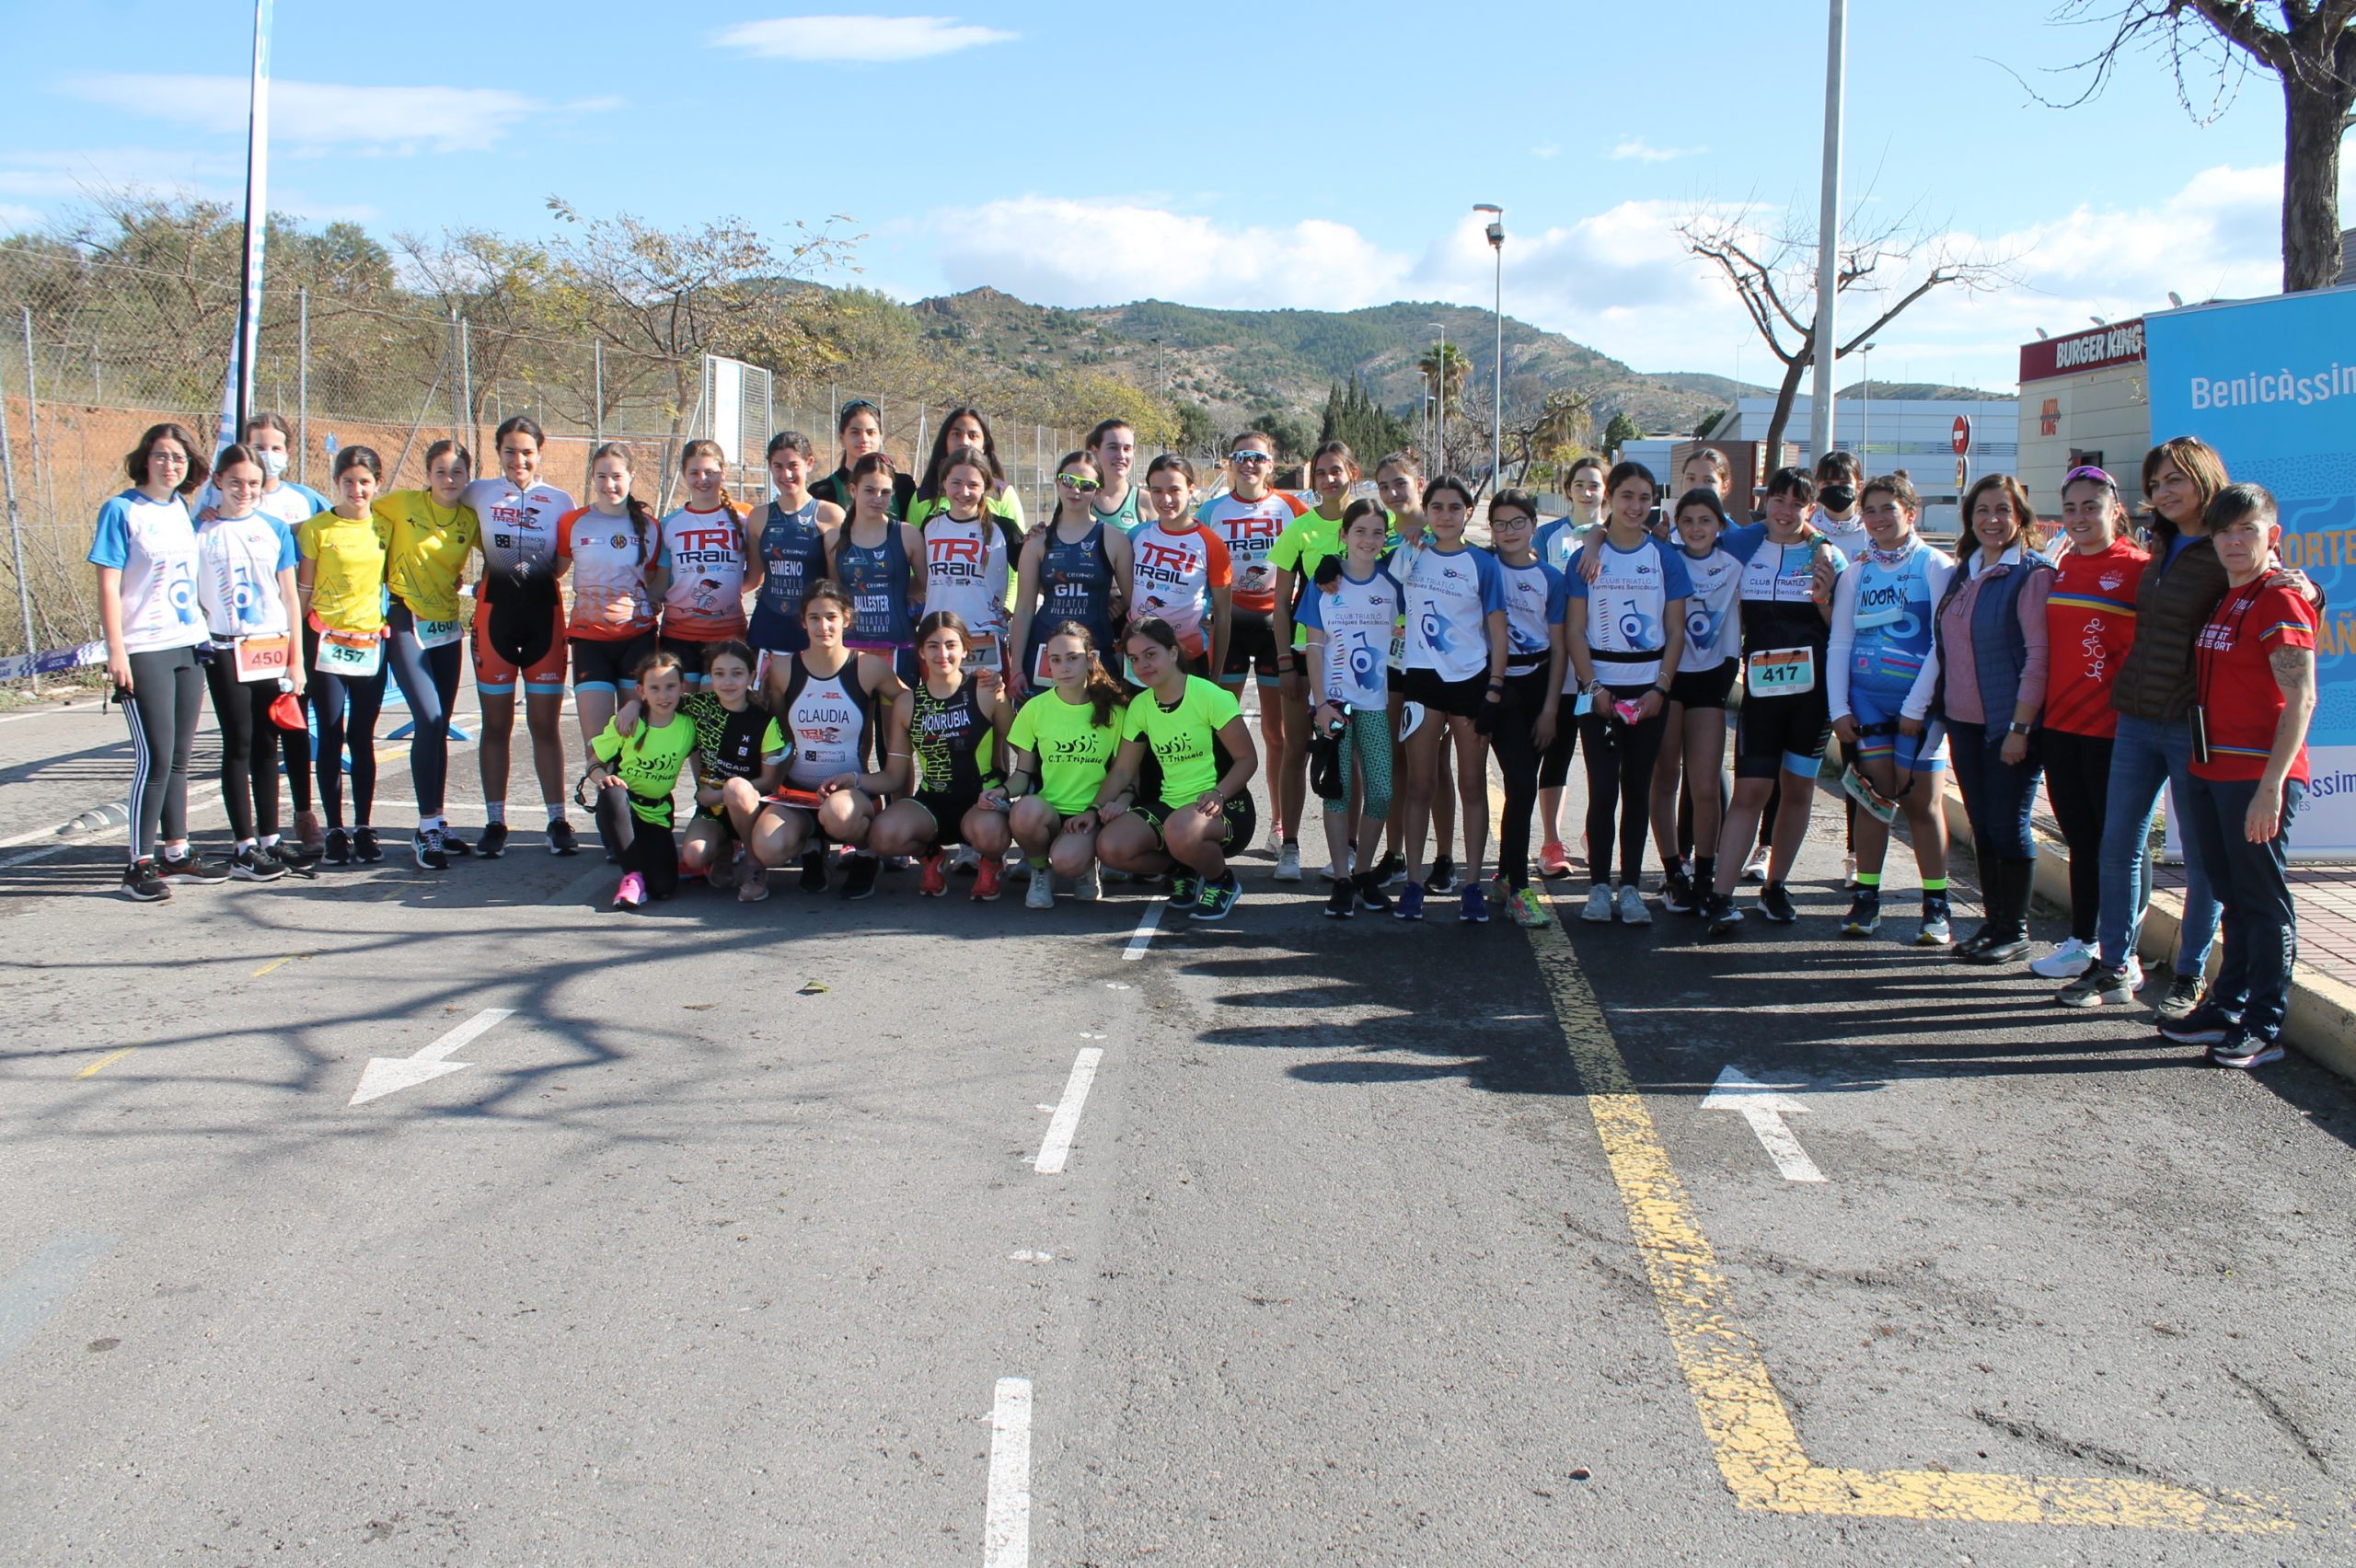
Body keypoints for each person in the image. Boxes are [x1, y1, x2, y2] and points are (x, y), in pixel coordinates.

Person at [2065, 439, 2239, 1010]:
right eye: (2156, 484)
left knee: (2200, 859)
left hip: (2193, 723)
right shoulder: (2159, 544)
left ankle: (2189, 973)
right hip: (2137, 719)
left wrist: (2303, 589)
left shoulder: (2225, 544)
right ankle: (2115, 966)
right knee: (2117, 847)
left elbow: (2273, 587)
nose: (2163, 493)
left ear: (2204, 479)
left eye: (2174, 481)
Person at [2172, 484, 2316, 1068]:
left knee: (2263, 901)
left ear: (2272, 537)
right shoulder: (2229, 595)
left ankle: (2264, 1024)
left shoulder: (2280, 599)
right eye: (2225, 531)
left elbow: (2301, 699)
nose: (2234, 541)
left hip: (2255, 778)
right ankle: (2225, 1006)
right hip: (2212, 768)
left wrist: (2271, 788)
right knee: (2233, 896)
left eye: (2247, 531)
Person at [1701, 467, 1846, 937]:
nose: (1785, 511)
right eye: (1778, 500)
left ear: (1811, 507)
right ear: (1766, 502)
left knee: (1798, 790)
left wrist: (1824, 598)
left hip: (1812, 697)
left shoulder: (1828, 554)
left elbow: (1839, 627)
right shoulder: (1744, 547)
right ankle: (1720, 896)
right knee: (1751, 792)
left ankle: (1776, 886)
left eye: (1797, 503)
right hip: (1762, 695)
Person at [1826, 473, 1956, 944]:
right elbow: (1840, 642)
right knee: (1873, 802)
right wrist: (1838, 707)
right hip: (1866, 701)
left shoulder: (1935, 566)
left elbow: (1943, 646)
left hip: (1919, 706)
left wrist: (1918, 706)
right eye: (1871, 510)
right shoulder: (1857, 571)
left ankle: (1936, 907)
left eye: (1889, 509)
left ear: (1911, 513)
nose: (1878, 519)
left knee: (1923, 804)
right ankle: (1867, 898)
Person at [2031, 466, 2147, 980]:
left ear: (2115, 511)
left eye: (2091, 507)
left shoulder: (2140, 567)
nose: (2080, 517)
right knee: (2080, 837)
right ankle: (2082, 939)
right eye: (2071, 507)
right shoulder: (2060, 566)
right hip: (2060, 725)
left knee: (2120, 843)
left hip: (2117, 731)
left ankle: (2126, 950)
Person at [199, 410, 329, 861]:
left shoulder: (277, 526)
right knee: (238, 742)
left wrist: (295, 659)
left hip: (273, 649)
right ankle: (244, 842)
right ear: (219, 481)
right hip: (225, 647)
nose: (245, 490)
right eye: (235, 482)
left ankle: (273, 838)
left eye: (252, 483)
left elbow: (291, 596)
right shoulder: (202, 529)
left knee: (271, 741)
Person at [1934, 475, 2054, 965]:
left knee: (2009, 827)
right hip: (1964, 722)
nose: (1991, 520)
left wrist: (2020, 729)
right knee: (1982, 826)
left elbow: (2038, 658)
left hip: (2009, 726)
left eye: (2002, 510)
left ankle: (2015, 928)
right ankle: (1992, 922)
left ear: (2021, 517)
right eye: (1982, 511)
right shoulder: (1966, 570)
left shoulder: (2031, 574)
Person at [92, 422, 214, 901]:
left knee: (181, 758)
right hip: (143, 647)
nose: (170, 464)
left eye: (179, 458)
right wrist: (115, 649)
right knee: (155, 758)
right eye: (162, 455)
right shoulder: (121, 510)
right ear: (146, 459)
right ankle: (138, 863)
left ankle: (176, 852)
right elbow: (108, 584)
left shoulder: (181, 509)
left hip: (186, 642)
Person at [1565, 463, 1688, 924]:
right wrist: (1592, 686)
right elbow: (1575, 631)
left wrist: (1661, 688)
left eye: (1644, 498)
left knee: (1638, 789)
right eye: (1627, 496)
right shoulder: (1587, 558)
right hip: (1597, 689)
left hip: (1649, 690)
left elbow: (1675, 633)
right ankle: (1599, 886)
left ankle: (1631, 886)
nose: (1635, 507)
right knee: (1602, 790)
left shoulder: (1665, 558)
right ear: (1611, 497)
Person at [1391, 475, 1508, 923]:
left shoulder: (1484, 563)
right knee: (1420, 786)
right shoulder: (1411, 554)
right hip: (1421, 679)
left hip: (1471, 682)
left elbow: (1497, 630)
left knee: (1472, 785)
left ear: (1468, 513)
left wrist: (1494, 687)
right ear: (1427, 510)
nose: (1444, 515)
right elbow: (1371, 579)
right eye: (1436, 507)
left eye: (1454, 508)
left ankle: (1473, 884)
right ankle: (1414, 883)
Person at [1092, 617, 1260, 921]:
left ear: (1173, 652)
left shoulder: (1209, 695)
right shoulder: (1141, 706)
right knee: (1110, 846)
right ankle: (1185, 869)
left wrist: (1219, 793)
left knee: (1180, 829)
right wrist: (1092, 812)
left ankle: (1221, 882)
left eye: (1151, 654)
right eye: (1134, 659)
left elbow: (1247, 759)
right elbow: (1121, 772)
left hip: (1224, 807)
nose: (1143, 665)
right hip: (1171, 810)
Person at [750, 582, 907, 899]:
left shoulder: (868, 667)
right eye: (814, 617)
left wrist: (976, 689)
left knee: (838, 814)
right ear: (803, 622)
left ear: (847, 619)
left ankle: (866, 854)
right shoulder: (781, 670)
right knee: (767, 848)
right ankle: (812, 847)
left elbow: (911, 700)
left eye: (832, 617)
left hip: (850, 793)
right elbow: (780, 731)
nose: (824, 626)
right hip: (797, 793)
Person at [464, 416, 576, 858]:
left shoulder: (560, 500)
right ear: (498, 453)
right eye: (510, 451)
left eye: (527, 451)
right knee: (496, 725)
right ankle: (495, 822)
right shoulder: (479, 492)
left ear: (540, 453)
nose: (519, 459)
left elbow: (562, 563)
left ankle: (557, 819)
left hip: (544, 621)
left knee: (544, 726)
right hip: (495, 621)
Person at [1199, 431, 1311, 873]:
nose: (1249, 464)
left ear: (1272, 464)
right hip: (1228, 624)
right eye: (1242, 457)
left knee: (1277, 734)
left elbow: (1324, 541)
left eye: (1258, 458)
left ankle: (1281, 825)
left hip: (1273, 624)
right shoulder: (1211, 510)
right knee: (1218, 730)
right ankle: (1217, 813)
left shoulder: (1291, 507)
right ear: (1230, 462)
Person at [375, 439, 480, 866]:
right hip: (406, 621)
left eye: (457, 472)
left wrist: (477, 586)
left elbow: (498, 555)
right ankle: (424, 829)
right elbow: (350, 518)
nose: (449, 480)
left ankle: (436, 821)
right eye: (441, 472)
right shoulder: (401, 504)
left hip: (447, 626)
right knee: (429, 719)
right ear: (428, 475)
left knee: (441, 726)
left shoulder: (469, 519)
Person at [1299, 499, 1403, 918]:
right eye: (1359, 531)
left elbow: (1429, 538)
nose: (1368, 540)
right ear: (1343, 535)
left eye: (1378, 532)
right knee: (1338, 793)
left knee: (1381, 790)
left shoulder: (1394, 581)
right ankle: (1341, 879)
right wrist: (1320, 703)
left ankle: (1363, 873)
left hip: (1376, 703)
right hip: (1335, 705)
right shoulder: (1325, 582)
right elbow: (1314, 644)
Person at [870, 611, 1014, 898]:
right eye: (933, 646)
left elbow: (1024, 747)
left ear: (965, 650)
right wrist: (853, 782)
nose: (942, 654)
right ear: (921, 652)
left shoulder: (987, 691)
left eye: (950, 645)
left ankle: (990, 861)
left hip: (982, 802)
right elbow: (894, 776)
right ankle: (931, 857)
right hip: (932, 803)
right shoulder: (907, 703)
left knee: (991, 835)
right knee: (883, 836)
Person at [298, 446, 392, 867]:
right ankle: (335, 827)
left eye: (365, 482)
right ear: (338, 482)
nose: (357, 489)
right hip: (327, 643)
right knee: (332, 734)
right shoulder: (317, 528)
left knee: (363, 737)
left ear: (376, 485)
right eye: (349, 481)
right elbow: (303, 587)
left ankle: (364, 826)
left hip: (371, 642)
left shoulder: (385, 527)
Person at [1270, 442, 1358, 878]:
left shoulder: (1375, 525)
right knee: (1295, 749)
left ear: (1351, 473)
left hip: (1356, 659)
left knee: (1352, 753)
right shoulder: (1298, 531)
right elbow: (1281, 604)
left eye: (1336, 471)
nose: (1328, 480)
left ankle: (1350, 848)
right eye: (1321, 473)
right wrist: (1286, 661)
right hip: (1307, 656)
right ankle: (1289, 847)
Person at [1484, 490, 1567, 928]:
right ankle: (1519, 887)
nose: (1509, 531)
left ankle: (1504, 876)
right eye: (1500, 524)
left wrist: (1551, 709)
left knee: (1523, 787)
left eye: (1518, 522)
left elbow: (1559, 648)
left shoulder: (1552, 578)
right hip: (1496, 688)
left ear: (1534, 526)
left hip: (1538, 688)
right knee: (1519, 781)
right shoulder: (1483, 567)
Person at [1004, 623, 1129, 908]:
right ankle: (1039, 869)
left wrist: (1100, 811)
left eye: (1073, 657)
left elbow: (1125, 775)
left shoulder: (1116, 710)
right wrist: (999, 792)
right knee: (1023, 812)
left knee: (1067, 862)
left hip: (1092, 813)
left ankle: (1085, 865)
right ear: (1048, 662)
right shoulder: (1034, 708)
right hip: (1049, 812)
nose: (1064, 667)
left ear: (1090, 658)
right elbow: (1023, 773)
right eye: (1056, 659)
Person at [560, 442, 670, 751]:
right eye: (601, 476)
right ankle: (604, 799)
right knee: (598, 746)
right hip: (589, 640)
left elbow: (655, 577)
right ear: (592, 478)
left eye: (617, 476)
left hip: (637, 640)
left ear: (631, 475)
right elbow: (555, 568)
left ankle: (633, 801)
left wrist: (653, 599)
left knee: (634, 744)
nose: (609, 484)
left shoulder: (650, 527)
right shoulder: (573, 522)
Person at [1533, 454, 1610, 877]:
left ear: (1605, 491)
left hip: (1608, 665)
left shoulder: (1620, 536)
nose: (1587, 491)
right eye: (1579, 484)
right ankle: (1551, 841)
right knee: (1558, 753)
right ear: (1567, 490)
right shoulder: (1546, 535)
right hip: (1560, 663)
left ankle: (1592, 833)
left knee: (1601, 758)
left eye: (1595, 484)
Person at [1010, 451, 1131, 701]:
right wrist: (1016, 668)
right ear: (1057, 482)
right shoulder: (1038, 541)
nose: (1075, 490)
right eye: (1068, 481)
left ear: (1097, 491)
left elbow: (1134, 603)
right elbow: (1023, 609)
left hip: (1096, 651)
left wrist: (1116, 607)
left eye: (1086, 485)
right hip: (1045, 652)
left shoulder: (1114, 539)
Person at [676, 640, 791, 901]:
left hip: (748, 806)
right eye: (719, 674)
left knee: (736, 787)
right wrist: (632, 706)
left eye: (737, 673)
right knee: (693, 855)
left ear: (751, 676)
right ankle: (723, 851)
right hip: (712, 812)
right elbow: (661, 702)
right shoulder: (699, 707)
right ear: (710, 676)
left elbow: (766, 781)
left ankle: (754, 864)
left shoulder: (763, 721)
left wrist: (721, 795)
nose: (728, 681)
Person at [588, 650, 699, 911]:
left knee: (663, 889)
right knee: (613, 791)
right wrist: (603, 778)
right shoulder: (628, 723)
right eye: (655, 688)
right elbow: (594, 763)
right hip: (622, 810)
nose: (663, 695)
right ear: (641, 690)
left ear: (682, 687)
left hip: (657, 813)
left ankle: (652, 868)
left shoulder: (689, 725)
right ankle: (632, 875)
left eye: (671, 687)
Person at [744, 431, 845, 675]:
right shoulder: (758, 517)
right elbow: (753, 578)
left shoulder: (830, 515)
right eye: (777, 466)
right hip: (769, 624)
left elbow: (837, 584)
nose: (785, 474)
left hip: (812, 628)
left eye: (793, 466)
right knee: (767, 706)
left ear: (809, 464)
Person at [657, 439, 756, 685]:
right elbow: (661, 583)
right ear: (684, 475)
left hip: (728, 635)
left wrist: (723, 593)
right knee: (684, 715)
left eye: (710, 472)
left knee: (718, 718)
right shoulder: (669, 524)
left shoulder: (744, 519)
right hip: (678, 635)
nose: (702, 479)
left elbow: (755, 576)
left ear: (723, 472)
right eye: (694, 472)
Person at [1128, 455, 1231, 678]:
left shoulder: (1211, 544)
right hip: (1138, 658)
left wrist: (1216, 673)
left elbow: (1223, 614)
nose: (1165, 499)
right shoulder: (1137, 534)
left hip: (1189, 659)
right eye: (1157, 491)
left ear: (1191, 489)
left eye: (1174, 490)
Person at [830, 453, 926, 683]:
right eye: (869, 490)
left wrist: (902, 592)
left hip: (898, 645)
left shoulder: (907, 534)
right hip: (849, 647)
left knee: (896, 719)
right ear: (853, 490)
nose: (878, 498)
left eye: (885, 492)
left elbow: (927, 585)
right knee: (856, 719)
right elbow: (833, 594)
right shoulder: (834, 537)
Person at [909, 405, 1028, 536]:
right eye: (956, 434)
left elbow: (1018, 547)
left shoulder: (1002, 494)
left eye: (973, 436)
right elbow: (913, 548)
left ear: (984, 446)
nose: (964, 442)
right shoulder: (922, 497)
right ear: (945, 442)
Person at [809, 398, 917, 519]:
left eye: (871, 433)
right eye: (855, 433)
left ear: (880, 436)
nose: (864, 439)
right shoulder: (822, 492)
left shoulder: (904, 486)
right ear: (841, 437)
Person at [1083, 418, 1145, 536]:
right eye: (1113, 447)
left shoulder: (1146, 502)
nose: (1121, 455)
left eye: (1127, 449)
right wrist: (1040, 532)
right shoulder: (1080, 497)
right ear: (1094, 451)